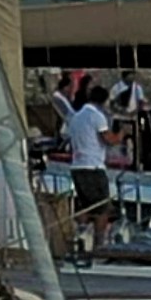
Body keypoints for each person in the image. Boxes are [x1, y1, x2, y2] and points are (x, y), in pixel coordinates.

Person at [62, 91, 120, 253]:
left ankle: (81, 236)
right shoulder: (97, 117)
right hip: (93, 167)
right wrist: (122, 133)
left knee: (85, 205)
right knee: (102, 207)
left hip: (77, 167)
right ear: (103, 101)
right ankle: (99, 244)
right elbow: (109, 140)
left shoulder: (75, 117)